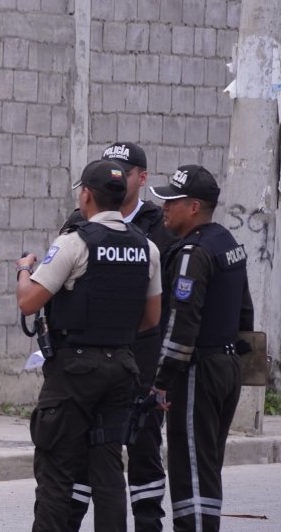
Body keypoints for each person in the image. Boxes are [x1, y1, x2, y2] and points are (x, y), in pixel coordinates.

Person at [14, 160, 162, 532]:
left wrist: (24, 269)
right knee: (109, 470)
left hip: (75, 372)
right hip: (122, 369)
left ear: (85, 195)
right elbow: (150, 319)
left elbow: (29, 302)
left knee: (56, 471)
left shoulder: (74, 242)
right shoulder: (146, 248)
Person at [58, 143, 178, 532]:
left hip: (139, 361)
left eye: (124, 171)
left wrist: (164, 372)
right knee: (84, 454)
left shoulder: (161, 228)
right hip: (85, 363)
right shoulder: (79, 222)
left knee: (143, 449)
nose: (117, 177)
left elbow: (166, 306)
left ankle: (147, 523)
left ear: (141, 178)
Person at [149, 165, 254, 532]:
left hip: (199, 371)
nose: (164, 207)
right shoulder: (227, 242)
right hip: (227, 367)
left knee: (190, 467)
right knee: (206, 465)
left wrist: (162, 380)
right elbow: (245, 312)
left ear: (194, 207)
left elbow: (181, 326)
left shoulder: (193, 253)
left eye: (171, 201)